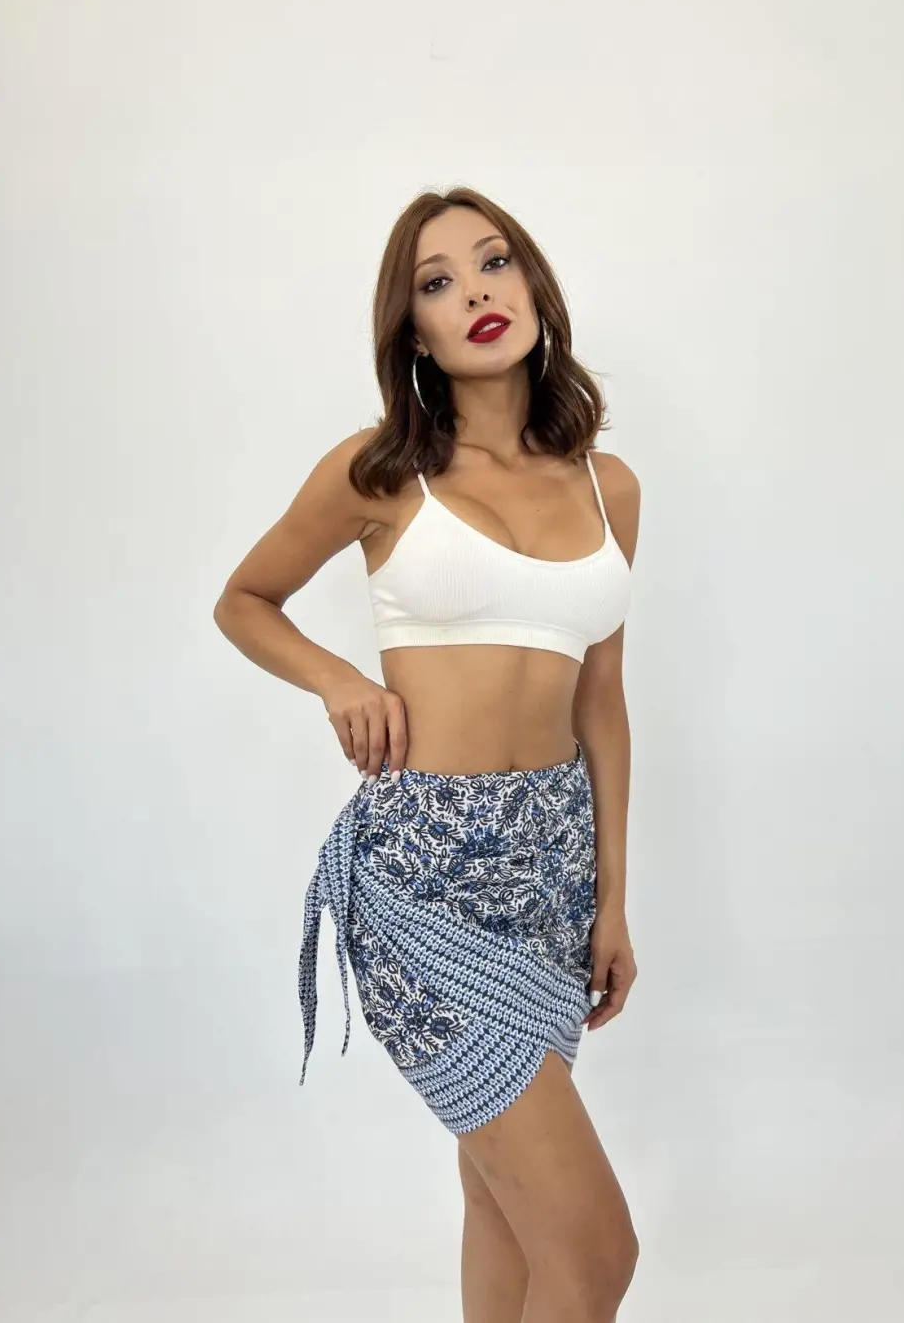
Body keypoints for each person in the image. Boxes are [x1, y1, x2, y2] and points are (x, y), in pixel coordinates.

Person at [213, 185, 642, 1322]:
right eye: (437, 284)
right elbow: (244, 600)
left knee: (507, 1218)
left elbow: (603, 703)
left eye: (494, 263)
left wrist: (612, 901)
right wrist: (340, 680)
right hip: (423, 877)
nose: (476, 294)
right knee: (596, 1250)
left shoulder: (611, 487)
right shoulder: (380, 470)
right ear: (413, 332)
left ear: (534, 285)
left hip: (552, 876)